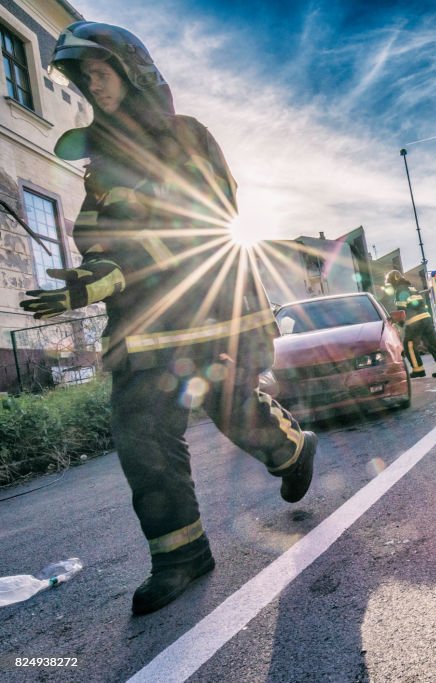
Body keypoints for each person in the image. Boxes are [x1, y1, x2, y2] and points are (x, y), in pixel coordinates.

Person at [20, 22, 318, 614]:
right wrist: (92, 277)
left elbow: (207, 218)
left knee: (232, 408)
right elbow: (98, 234)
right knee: (140, 437)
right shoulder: (101, 162)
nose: (93, 88)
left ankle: (291, 451)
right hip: (140, 327)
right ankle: (181, 555)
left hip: (206, 312)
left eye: (100, 74)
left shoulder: (187, 136)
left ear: (132, 71)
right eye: (85, 81)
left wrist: (124, 268)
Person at [385, 270, 436, 378]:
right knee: (433, 343)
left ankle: (418, 369)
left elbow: (401, 310)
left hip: (415, 322)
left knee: (409, 345)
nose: (390, 285)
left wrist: (398, 323)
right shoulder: (412, 288)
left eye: (390, 283)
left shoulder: (400, 289)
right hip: (426, 318)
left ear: (394, 280)